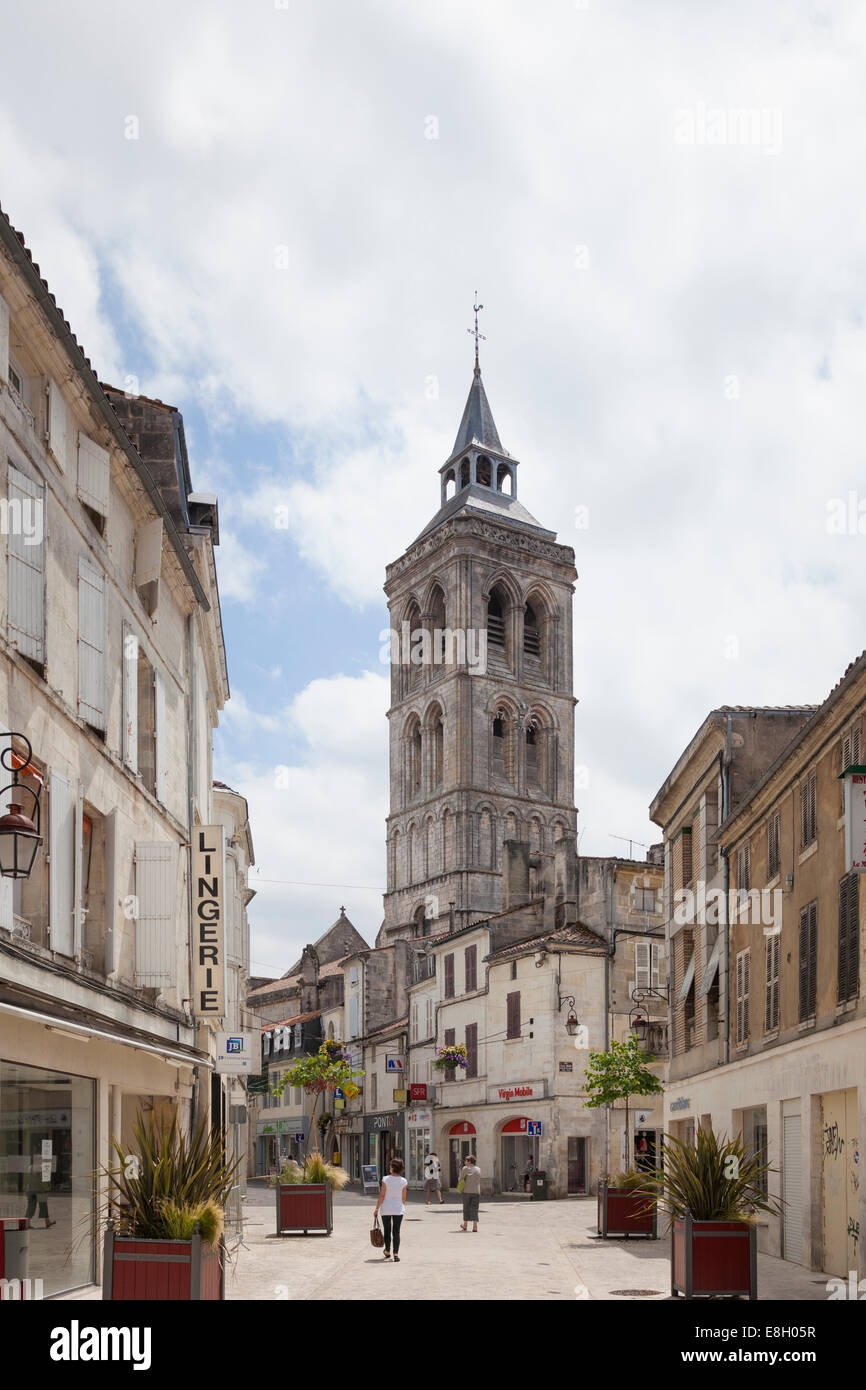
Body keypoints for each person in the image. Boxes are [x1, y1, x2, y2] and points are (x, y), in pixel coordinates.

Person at [374, 1157, 408, 1261]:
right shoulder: (403, 1181)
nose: (389, 1167)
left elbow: (382, 1195)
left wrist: (376, 1208)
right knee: (396, 1232)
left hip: (386, 1208)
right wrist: (400, 1205)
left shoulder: (386, 1179)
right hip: (398, 1209)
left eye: (390, 1166)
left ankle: (387, 1251)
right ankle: (396, 1254)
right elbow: (403, 1198)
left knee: (387, 1230)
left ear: (393, 1168)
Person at [459, 1153, 481, 1232]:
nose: (465, 1162)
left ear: (469, 1162)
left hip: (466, 1191)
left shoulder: (465, 1168)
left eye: (466, 1160)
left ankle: (465, 1225)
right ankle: (475, 1227)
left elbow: (461, 1179)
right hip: (476, 1191)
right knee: (475, 1208)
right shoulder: (478, 1169)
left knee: (466, 1208)